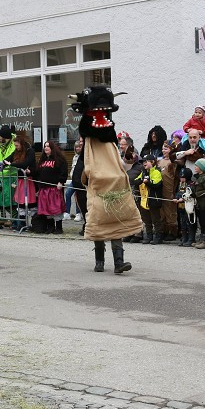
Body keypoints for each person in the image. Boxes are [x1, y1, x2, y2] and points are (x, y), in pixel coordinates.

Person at [72, 86, 142, 274]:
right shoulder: (88, 143)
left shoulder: (110, 140)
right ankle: (100, 260)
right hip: (96, 185)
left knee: (115, 217)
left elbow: (115, 154)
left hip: (112, 184)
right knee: (98, 218)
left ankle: (119, 261)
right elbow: (80, 174)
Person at [33, 140, 67, 234]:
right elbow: (38, 173)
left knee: (56, 208)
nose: (46, 148)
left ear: (52, 148)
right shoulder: (42, 160)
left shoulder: (59, 160)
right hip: (44, 188)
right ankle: (50, 227)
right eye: (45, 146)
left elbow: (63, 171)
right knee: (46, 208)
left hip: (54, 188)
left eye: (48, 146)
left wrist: (61, 181)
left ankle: (59, 228)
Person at [0, 126, 18, 226]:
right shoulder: (0, 146)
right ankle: (2, 217)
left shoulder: (13, 146)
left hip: (10, 176)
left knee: (9, 201)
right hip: (1, 175)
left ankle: (15, 219)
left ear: (5, 137)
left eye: (0, 137)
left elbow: (7, 160)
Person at [133, 155, 164, 244]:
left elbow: (156, 184)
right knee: (146, 219)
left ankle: (158, 236)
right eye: (143, 162)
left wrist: (148, 182)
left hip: (153, 200)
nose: (144, 163)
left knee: (156, 219)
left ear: (152, 162)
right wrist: (143, 180)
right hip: (143, 200)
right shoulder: (143, 172)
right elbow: (136, 181)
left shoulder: (156, 172)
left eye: (146, 161)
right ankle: (149, 236)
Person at [9, 135, 37, 231]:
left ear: (22, 144)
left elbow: (26, 164)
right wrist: (3, 162)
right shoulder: (17, 152)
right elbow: (9, 158)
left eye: (17, 145)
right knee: (21, 203)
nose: (16, 147)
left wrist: (12, 164)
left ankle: (35, 224)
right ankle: (22, 224)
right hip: (21, 180)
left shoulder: (30, 151)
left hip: (29, 180)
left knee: (31, 203)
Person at [64, 137, 84, 222]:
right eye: (76, 147)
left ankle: (78, 213)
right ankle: (67, 213)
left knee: (78, 196)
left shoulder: (83, 157)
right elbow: (73, 168)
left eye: (79, 146)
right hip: (73, 180)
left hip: (80, 180)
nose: (78, 148)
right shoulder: (75, 157)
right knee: (68, 193)